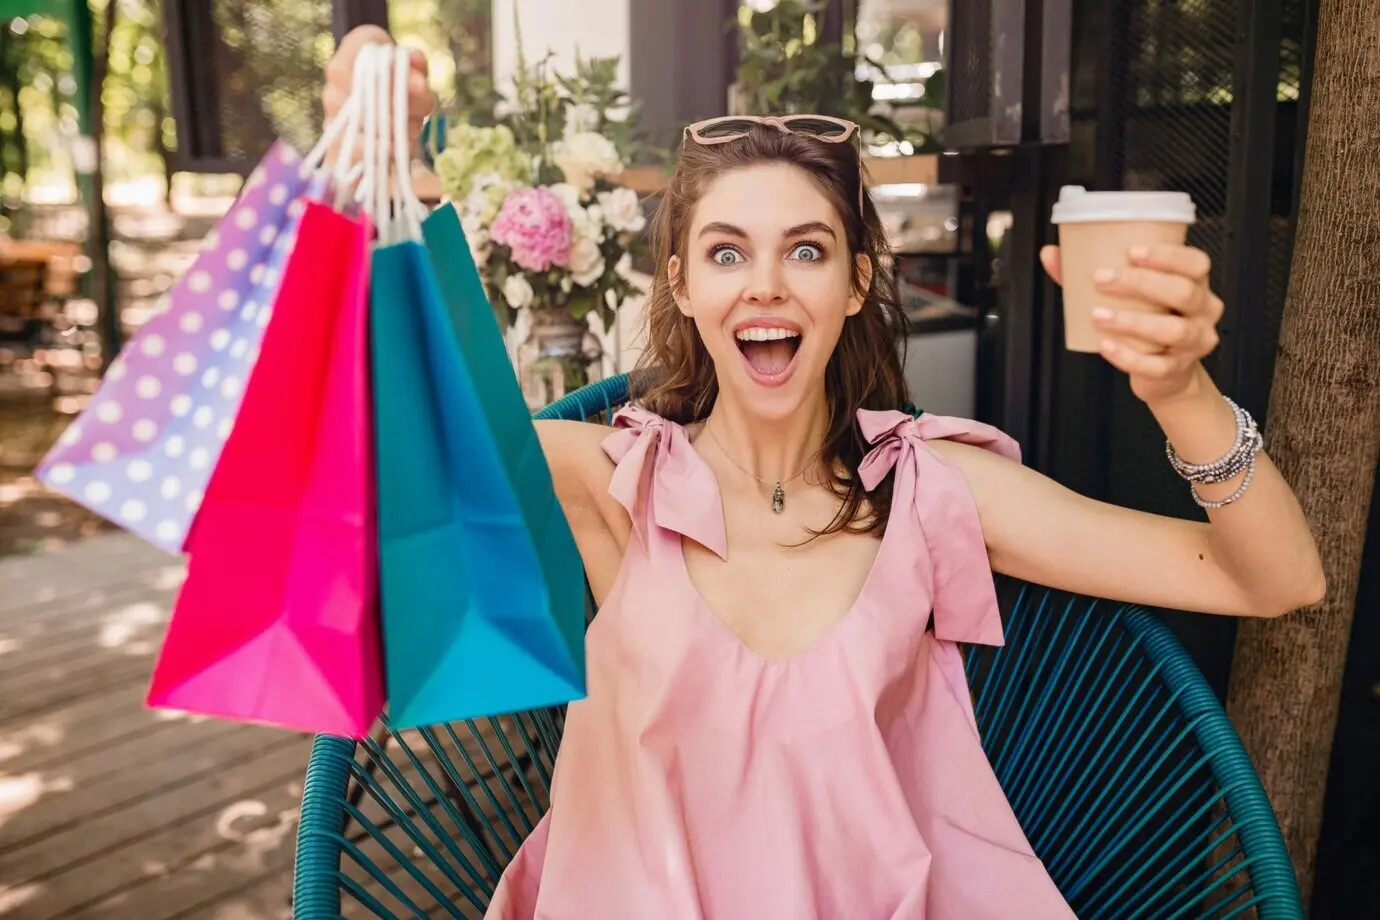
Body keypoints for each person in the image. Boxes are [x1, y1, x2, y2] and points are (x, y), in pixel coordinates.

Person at [326, 28, 1325, 920]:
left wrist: (1179, 389)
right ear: (682, 284)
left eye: (805, 250)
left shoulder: (930, 489)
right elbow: (371, 475)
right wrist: (391, 185)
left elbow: (1272, 579)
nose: (765, 284)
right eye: (726, 253)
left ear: (856, 282)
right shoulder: (606, 481)